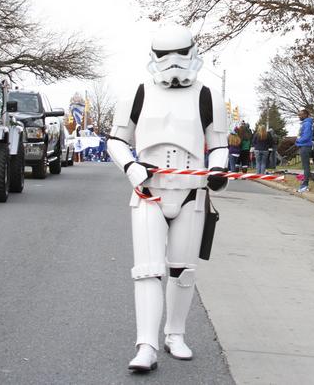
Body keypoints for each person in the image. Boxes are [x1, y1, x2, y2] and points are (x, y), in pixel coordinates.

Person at [105, 24, 229, 373]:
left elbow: (218, 144)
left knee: (183, 270)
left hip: (191, 193)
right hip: (149, 192)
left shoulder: (209, 96)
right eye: (165, 55)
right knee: (147, 271)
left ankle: (175, 333)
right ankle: (146, 344)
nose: (173, 62)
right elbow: (115, 140)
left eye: (180, 53)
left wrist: (218, 170)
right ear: (153, 56)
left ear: (192, 52)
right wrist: (131, 166)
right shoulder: (137, 93)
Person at [296, 108, 314, 193]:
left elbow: (306, 136)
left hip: (305, 146)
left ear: (305, 115)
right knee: (305, 165)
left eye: (300, 114)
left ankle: (305, 183)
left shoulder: (307, 124)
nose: (299, 116)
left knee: (306, 165)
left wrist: (297, 141)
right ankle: (305, 179)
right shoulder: (305, 123)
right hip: (303, 146)